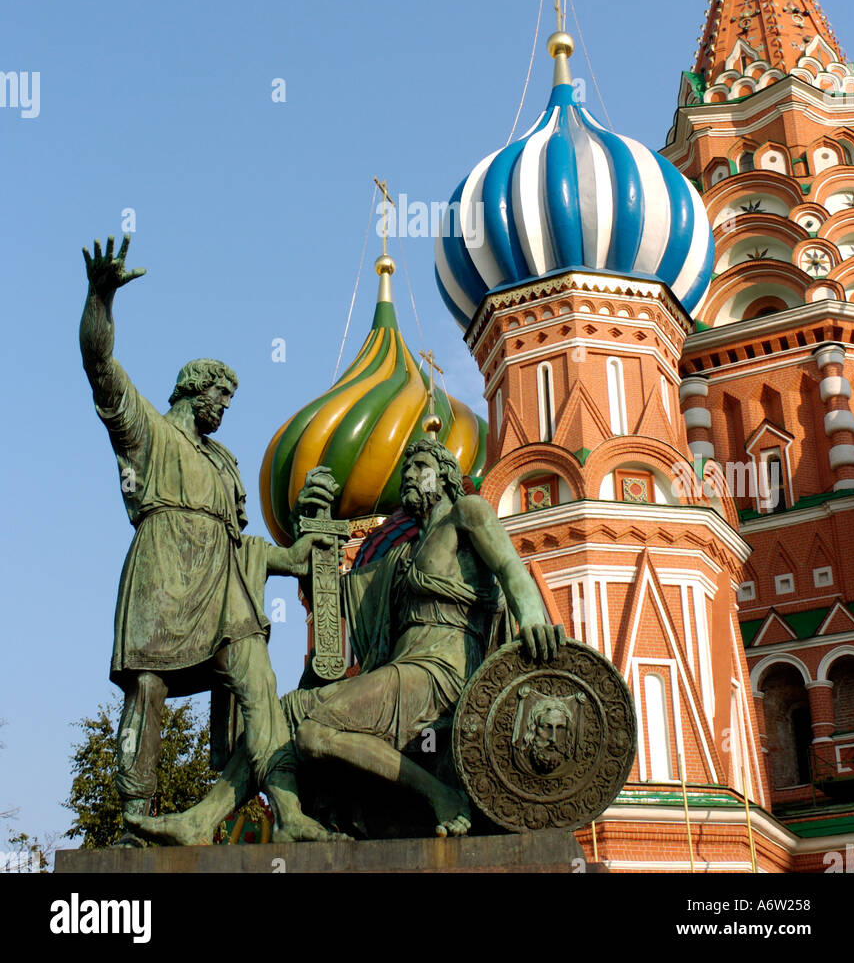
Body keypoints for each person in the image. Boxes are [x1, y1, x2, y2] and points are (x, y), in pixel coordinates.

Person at [128, 432, 565, 844]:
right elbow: (334, 599)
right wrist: (312, 528)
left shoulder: (467, 513)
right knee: (285, 713)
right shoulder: (403, 553)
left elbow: (510, 569)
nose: (408, 476)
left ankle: (442, 795)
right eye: (406, 469)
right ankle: (202, 821)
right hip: (402, 667)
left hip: (441, 672)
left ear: (446, 474)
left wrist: (534, 620)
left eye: (419, 465)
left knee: (313, 732)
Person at [80, 235, 335, 844]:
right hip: (162, 576)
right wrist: (99, 299)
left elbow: (240, 546)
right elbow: (99, 369)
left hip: (223, 592)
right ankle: (137, 818)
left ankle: (290, 810)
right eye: (220, 394)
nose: (226, 405)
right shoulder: (148, 433)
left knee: (259, 687)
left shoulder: (224, 462)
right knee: (148, 689)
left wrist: (294, 558)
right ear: (193, 390)